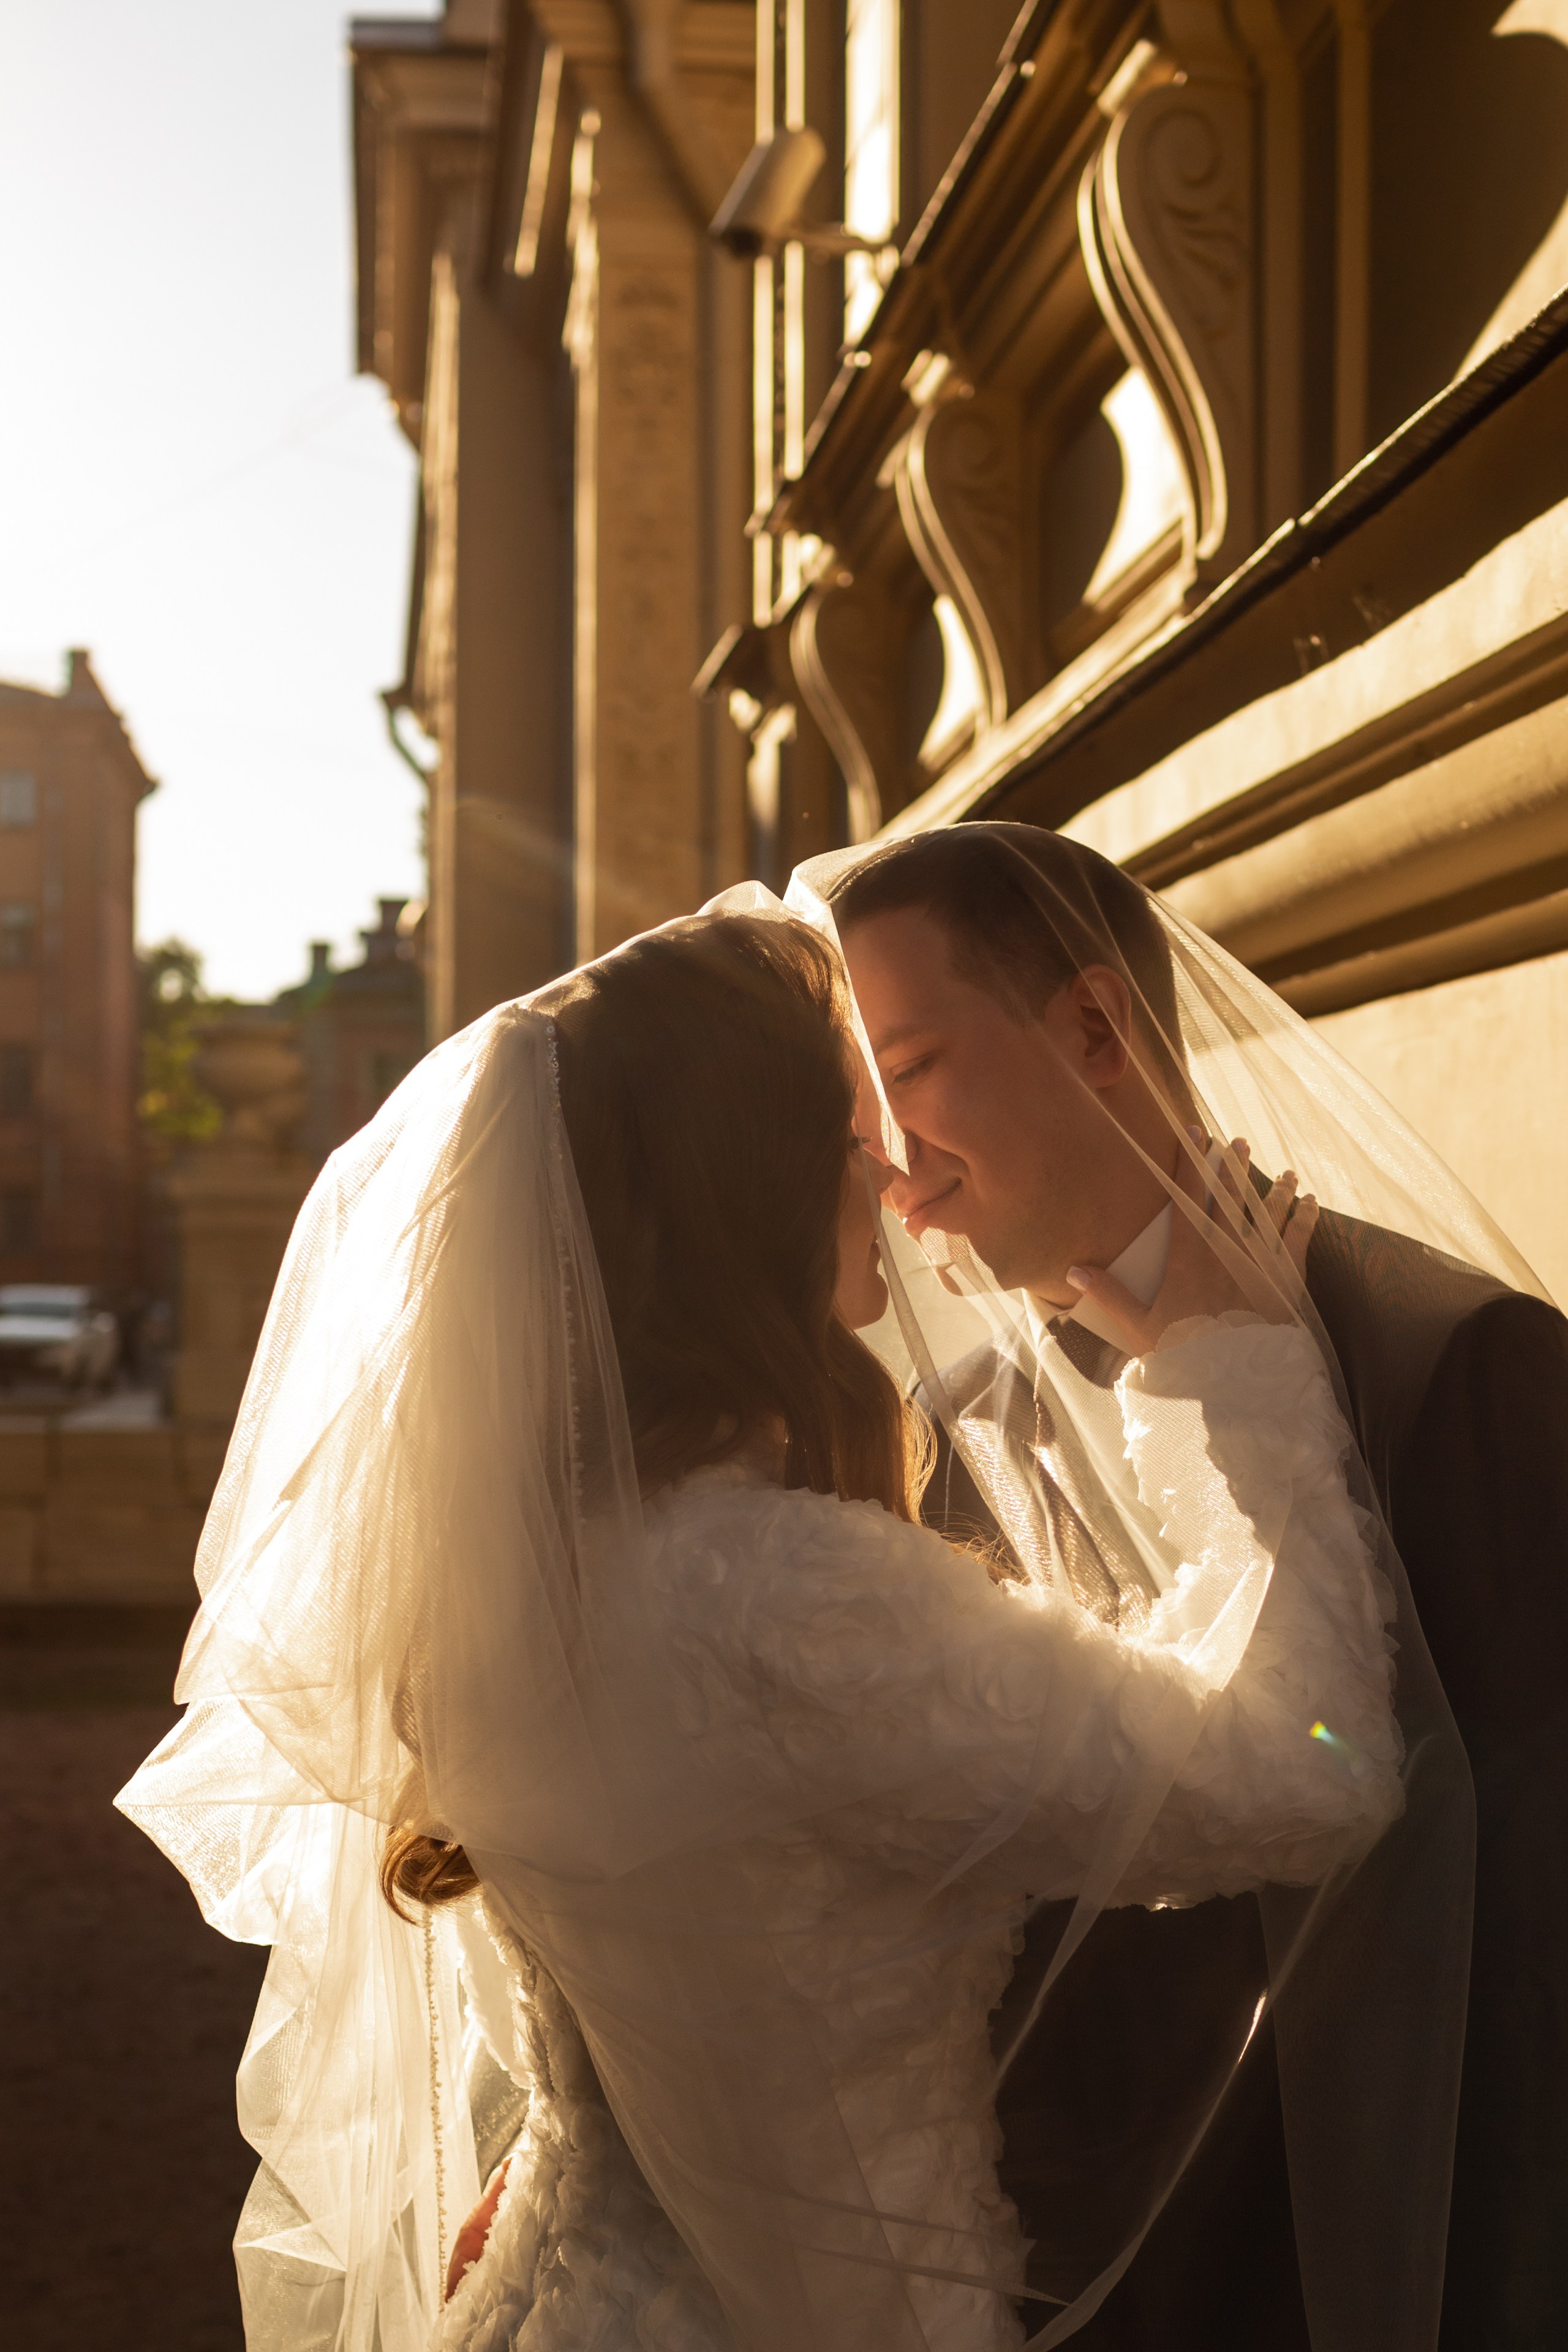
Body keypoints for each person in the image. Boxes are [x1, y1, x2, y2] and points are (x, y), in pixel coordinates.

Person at [119, 907, 1407, 2352]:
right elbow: (1306, 1776)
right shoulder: (792, 1606)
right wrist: (1226, 1372)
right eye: (846, 1125)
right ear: (754, 1186)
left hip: (552, 2293)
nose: (889, 1172)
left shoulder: (532, 1575)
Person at [820, 822, 1568, 2351]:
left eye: (905, 1074)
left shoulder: (1464, 1367)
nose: (882, 1166)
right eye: (855, 1115)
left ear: (1095, 1029)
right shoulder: (956, 1437)